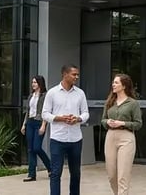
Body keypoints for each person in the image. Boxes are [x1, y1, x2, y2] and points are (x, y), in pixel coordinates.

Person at [42, 64, 89, 195]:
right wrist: (60, 118)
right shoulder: (52, 93)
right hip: (58, 139)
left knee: (75, 173)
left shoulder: (80, 93)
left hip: (75, 139)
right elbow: (45, 114)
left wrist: (78, 119)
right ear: (64, 74)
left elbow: (86, 113)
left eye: (77, 74)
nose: (76, 77)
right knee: (56, 172)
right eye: (74, 74)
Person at [101, 73, 142, 195]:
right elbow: (103, 120)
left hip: (126, 137)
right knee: (111, 175)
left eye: (116, 82)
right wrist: (107, 121)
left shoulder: (133, 103)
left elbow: (138, 124)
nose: (113, 85)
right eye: (113, 82)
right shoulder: (109, 102)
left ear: (124, 86)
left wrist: (122, 123)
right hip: (110, 137)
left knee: (123, 175)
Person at [21, 75, 52, 182]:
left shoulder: (45, 96)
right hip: (30, 122)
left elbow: (46, 111)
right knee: (30, 149)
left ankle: (50, 168)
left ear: (40, 83)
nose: (33, 84)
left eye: (35, 82)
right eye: (32, 82)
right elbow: (27, 112)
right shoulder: (31, 96)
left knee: (37, 147)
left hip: (39, 122)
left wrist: (44, 125)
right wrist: (24, 124)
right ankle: (31, 174)